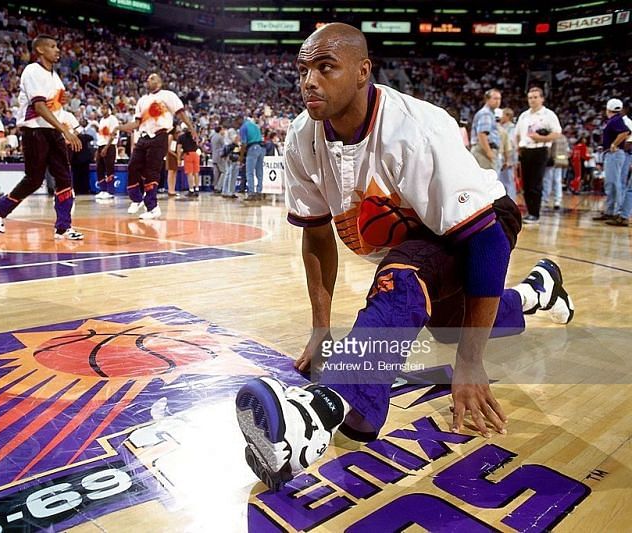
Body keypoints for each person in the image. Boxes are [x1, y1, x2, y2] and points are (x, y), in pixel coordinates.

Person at [233, 23, 575, 491]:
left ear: (362, 73)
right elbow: (315, 236)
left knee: (401, 278)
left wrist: (470, 361)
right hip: (423, 236)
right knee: (445, 319)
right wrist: (319, 330)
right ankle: (537, 292)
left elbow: (486, 241)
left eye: (325, 66)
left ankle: (319, 411)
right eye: (303, 69)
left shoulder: (415, 128)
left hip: (486, 221)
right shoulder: (301, 137)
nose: (309, 80)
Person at [0, 35, 84, 240]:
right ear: (40, 50)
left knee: (64, 178)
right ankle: (0, 210)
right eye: (52, 46)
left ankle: (63, 226)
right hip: (35, 130)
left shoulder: (55, 76)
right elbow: (39, 106)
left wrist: (61, 101)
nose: (57, 49)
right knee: (34, 179)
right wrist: (65, 129)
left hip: (52, 130)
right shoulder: (32, 70)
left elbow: (52, 104)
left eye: (57, 45)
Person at [117, 73, 198, 219]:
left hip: (160, 136)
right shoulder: (142, 100)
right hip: (143, 137)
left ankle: (153, 207)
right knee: (132, 166)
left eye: (153, 78)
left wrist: (192, 129)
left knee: (151, 172)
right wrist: (119, 127)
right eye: (148, 78)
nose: (148, 80)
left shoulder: (168, 95)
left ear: (160, 83)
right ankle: (136, 199)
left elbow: (180, 114)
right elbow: (136, 124)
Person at [515, 87, 562, 224]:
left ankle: (535, 213)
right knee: (527, 184)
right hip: (525, 150)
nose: (532, 100)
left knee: (536, 183)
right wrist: (519, 147)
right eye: (530, 98)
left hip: (539, 150)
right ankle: (529, 211)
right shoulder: (524, 115)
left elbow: (557, 133)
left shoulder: (549, 115)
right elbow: (517, 134)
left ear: (542, 98)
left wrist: (540, 138)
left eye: (535, 97)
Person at [593, 98, 631, 225]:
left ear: (608, 109)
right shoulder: (617, 120)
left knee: (614, 183)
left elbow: (625, 132)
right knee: (611, 183)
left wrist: (614, 144)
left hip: (615, 154)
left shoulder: (616, 120)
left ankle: (615, 212)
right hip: (613, 154)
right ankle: (610, 211)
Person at [470, 89, 502, 171]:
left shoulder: (490, 113)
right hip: (483, 150)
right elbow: (482, 134)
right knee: (487, 180)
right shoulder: (486, 113)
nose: (498, 101)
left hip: (483, 149)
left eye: (499, 99)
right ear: (487, 99)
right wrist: (488, 152)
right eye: (495, 98)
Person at [94, 102, 119, 200]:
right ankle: (103, 190)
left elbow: (113, 134)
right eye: (102, 108)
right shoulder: (101, 120)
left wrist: (106, 147)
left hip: (110, 145)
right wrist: (98, 148)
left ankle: (110, 191)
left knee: (109, 169)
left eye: (105, 108)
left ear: (109, 109)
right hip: (100, 145)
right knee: (99, 168)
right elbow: (100, 136)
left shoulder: (113, 119)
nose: (103, 110)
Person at [238, 115, 265, 201]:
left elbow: (244, 143)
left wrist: (241, 157)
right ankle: (259, 192)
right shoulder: (254, 125)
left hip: (252, 148)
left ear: (239, 120)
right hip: (261, 148)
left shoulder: (243, 128)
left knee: (249, 172)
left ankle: (251, 193)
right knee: (259, 172)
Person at [497, 108, 517, 201]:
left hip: (509, 156)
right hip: (501, 155)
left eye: (502, 115)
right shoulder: (501, 127)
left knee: (509, 180)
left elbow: (512, 144)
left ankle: (511, 200)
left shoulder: (512, 128)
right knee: (501, 180)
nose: (500, 117)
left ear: (508, 116)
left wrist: (509, 160)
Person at [177, 124, 201, 197]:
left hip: (187, 154)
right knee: (196, 172)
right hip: (196, 154)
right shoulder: (194, 136)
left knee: (189, 173)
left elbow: (178, 149)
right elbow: (197, 143)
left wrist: (179, 159)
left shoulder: (181, 137)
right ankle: (197, 189)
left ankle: (191, 190)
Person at [210, 125, 227, 194]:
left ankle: (215, 186)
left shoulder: (213, 137)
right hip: (220, 156)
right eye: (223, 129)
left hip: (214, 156)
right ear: (220, 130)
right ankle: (219, 187)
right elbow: (224, 147)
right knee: (224, 172)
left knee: (216, 173)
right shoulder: (220, 137)